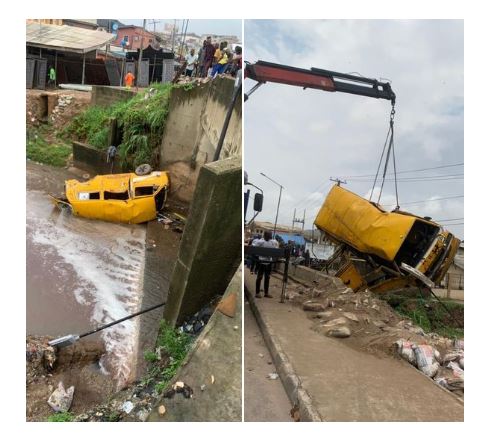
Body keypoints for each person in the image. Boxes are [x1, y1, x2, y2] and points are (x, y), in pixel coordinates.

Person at [252, 230, 279, 298]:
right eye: (269, 235)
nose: (270, 236)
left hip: (269, 262)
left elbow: (276, 248)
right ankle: (257, 292)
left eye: (271, 235)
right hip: (261, 261)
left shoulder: (272, 242)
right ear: (265, 235)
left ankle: (266, 293)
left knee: (267, 277)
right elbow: (253, 247)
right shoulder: (260, 242)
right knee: (259, 277)